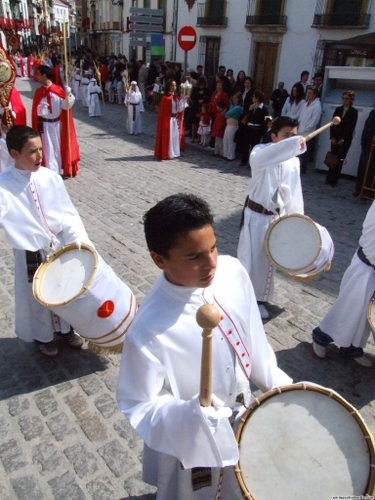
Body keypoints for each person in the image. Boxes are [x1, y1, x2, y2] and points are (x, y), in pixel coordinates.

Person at [116, 193, 292, 500]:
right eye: (194, 257)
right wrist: (190, 415)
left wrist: (284, 390)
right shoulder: (149, 328)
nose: (211, 263)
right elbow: (140, 402)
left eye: (213, 248)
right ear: (159, 259)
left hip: (246, 417)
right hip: (192, 436)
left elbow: (255, 341)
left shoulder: (233, 272)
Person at [0, 126, 90, 357]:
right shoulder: (4, 185)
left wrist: (79, 241)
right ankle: (43, 336)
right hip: (31, 251)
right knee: (37, 295)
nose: (40, 155)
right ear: (15, 154)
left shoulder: (50, 177)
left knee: (64, 289)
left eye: (40, 149)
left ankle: (66, 330)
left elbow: (68, 213)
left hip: (58, 247)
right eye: (32, 151)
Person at [237, 116, 306, 319]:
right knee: (251, 258)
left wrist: (296, 220)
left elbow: (294, 192)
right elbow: (261, 159)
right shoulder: (260, 152)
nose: (290, 141)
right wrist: (293, 144)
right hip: (256, 216)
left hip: (276, 217)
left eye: (294, 136)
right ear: (274, 136)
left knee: (267, 262)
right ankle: (246, 297)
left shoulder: (294, 162)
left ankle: (259, 297)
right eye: (285, 136)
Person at [312, 201, 375, 368]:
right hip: (366, 267)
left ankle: (353, 348)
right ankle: (321, 335)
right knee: (348, 310)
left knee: (364, 318)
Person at [32, 64, 80, 177]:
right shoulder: (38, 92)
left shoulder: (57, 90)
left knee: (57, 148)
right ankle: (50, 172)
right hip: (44, 124)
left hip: (57, 124)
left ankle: (57, 170)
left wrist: (69, 95)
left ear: (44, 75)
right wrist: (40, 108)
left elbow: (65, 106)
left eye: (38, 74)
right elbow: (35, 112)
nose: (37, 77)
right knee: (47, 149)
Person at [325, 90, 358, 187]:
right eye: (343, 98)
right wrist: (332, 137)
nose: (344, 100)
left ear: (351, 100)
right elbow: (332, 123)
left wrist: (343, 139)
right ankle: (329, 178)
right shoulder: (338, 109)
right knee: (332, 158)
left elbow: (351, 127)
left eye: (346, 98)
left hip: (345, 139)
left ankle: (334, 180)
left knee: (340, 159)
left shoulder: (353, 112)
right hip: (335, 137)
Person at [154, 79, 186, 160]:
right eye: (172, 85)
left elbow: (179, 109)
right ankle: (168, 152)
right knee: (169, 136)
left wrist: (183, 100)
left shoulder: (176, 97)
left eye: (175, 85)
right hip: (169, 120)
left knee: (175, 136)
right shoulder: (166, 98)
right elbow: (164, 112)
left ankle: (174, 152)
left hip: (175, 119)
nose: (174, 87)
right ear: (168, 86)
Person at [239, 90, 269, 167]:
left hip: (257, 129)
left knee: (254, 147)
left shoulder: (264, 109)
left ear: (257, 98)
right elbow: (245, 116)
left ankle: (251, 162)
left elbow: (267, 120)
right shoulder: (252, 107)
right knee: (245, 145)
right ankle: (243, 161)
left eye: (253, 97)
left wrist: (261, 130)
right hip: (249, 127)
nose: (252, 98)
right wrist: (249, 111)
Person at [297, 86, 321, 174]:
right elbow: (301, 117)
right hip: (300, 131)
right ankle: (297, 168)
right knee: (298, 151)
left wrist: (305, 129)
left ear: (314, 95)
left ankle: (302, 170)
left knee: (304, 152)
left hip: (308, 133)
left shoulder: (317, 106)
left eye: (310, 93)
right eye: (307, 93)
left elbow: (314, 121)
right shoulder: (305, 104)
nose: (308, 95)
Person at [353, 102, 375, 198]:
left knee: (371, 171)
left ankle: (368, 191)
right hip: (367, 146)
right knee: (363, 168)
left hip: (373, 148)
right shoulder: (372, 113)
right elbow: (366, 129)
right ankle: (359, 189)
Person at [223, 92, 243, 161]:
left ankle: (231, 156)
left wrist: (228, 115)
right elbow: (226, 115)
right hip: (228, 124)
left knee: (231, 141)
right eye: (233, 98)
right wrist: (228, 115)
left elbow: (228, 113)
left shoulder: (238, 107)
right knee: (225, 140)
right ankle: (225, 154)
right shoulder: (232, 106)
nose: (234, 99)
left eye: (236, 98)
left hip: (233, 125)